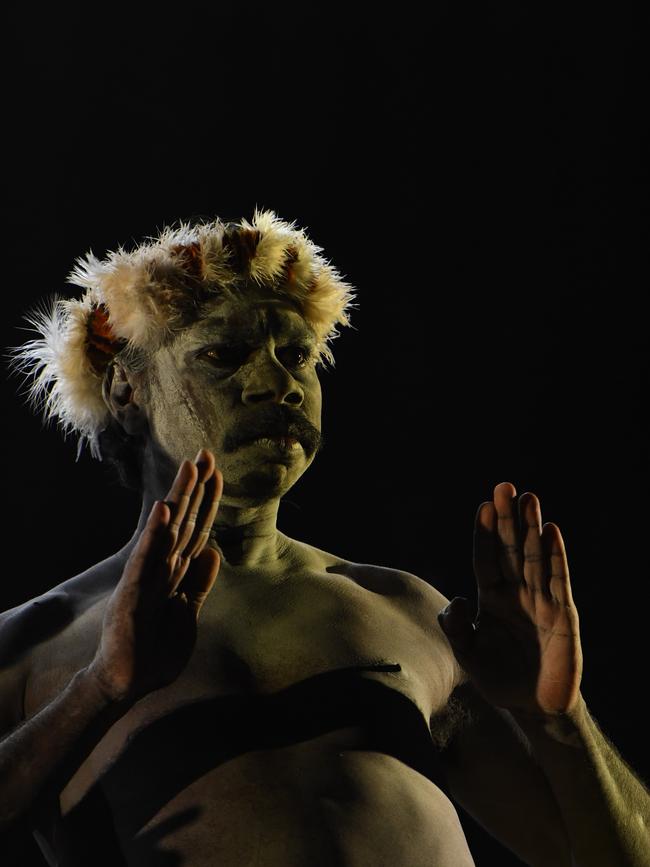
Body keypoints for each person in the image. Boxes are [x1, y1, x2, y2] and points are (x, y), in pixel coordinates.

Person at [1, 210, 648, 867]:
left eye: (297, 357)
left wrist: (562, 721)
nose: (279, 385)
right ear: (125, 385)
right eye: (225, 353)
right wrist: (98, 689)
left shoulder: (414, 613)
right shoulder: (32, 646)